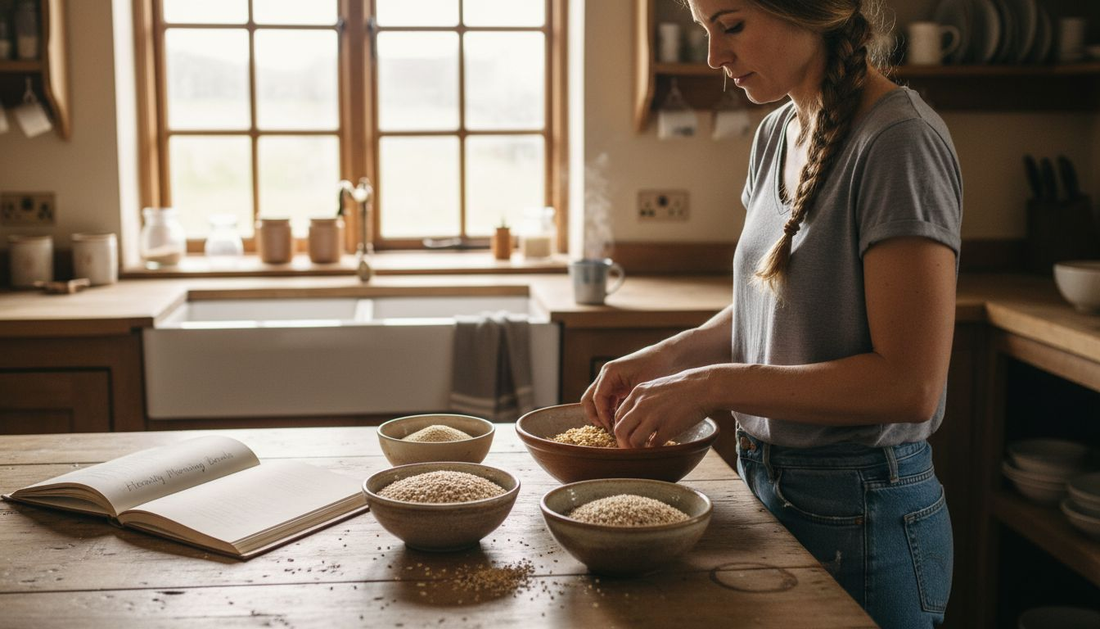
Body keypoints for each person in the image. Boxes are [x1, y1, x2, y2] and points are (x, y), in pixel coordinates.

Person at [581, 1, 962, 627]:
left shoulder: (899, 141)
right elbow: (776, 309)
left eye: (730, 26)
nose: (714, 57)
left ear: (812, 12)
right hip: (767, 484)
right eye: (706, 31)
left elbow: (909, 385)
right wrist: (666, 358)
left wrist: (711, 384)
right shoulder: (777, 131)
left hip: (864, 508)